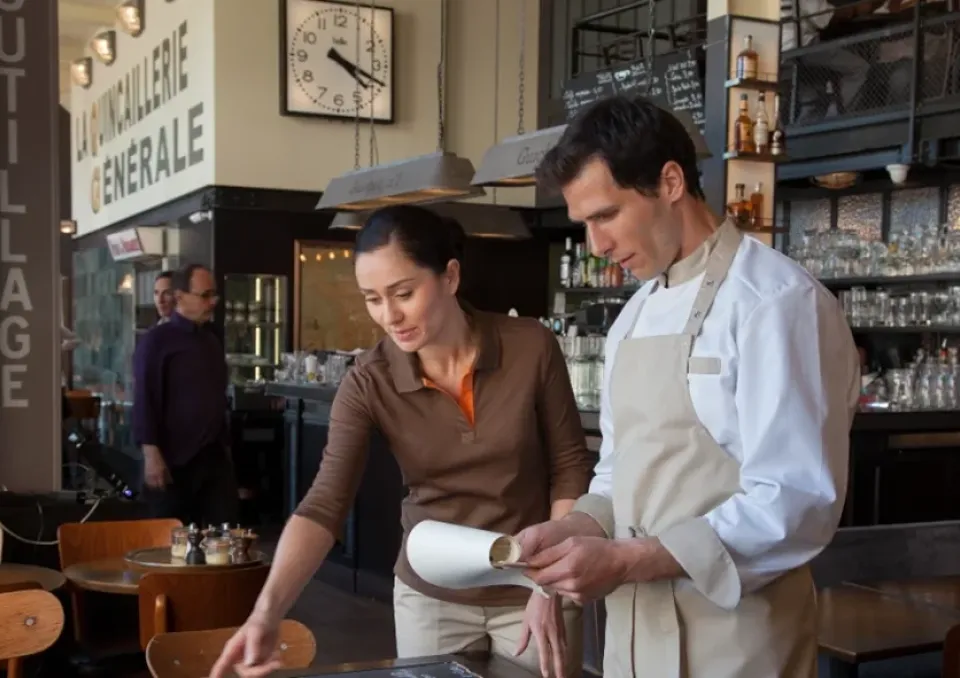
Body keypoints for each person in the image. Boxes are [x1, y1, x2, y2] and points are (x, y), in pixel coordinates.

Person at [516, 96, 860, 677]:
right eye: (585, 224)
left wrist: (629, 559)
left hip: (736, 637)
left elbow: (796, 500)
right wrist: (575, 528)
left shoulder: (776, 304)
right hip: (633, 636)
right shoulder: (633, 316)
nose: (596, 245)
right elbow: (618, 470)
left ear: (670, 181)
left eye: (606, 215)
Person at [210, 206, 592, 678]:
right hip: (431, 594)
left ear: (450, 276)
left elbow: (570, 467)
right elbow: (325, 504)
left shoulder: (530, 345)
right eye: (372, 299)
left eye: (403, 293)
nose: (389, 316)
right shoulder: (369, 381)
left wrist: (548, 589)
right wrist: (265, 614)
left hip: (535, 583)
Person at [132, 263, 238, 526]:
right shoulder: (157, 342)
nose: (213, 301)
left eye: (214, 294)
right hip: (173, 460)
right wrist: (151, 455)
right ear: (180, 297)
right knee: (171, 542)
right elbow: (145, 399)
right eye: (204, 295)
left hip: (212, 456)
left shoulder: (212, 340)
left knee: (224, 537)